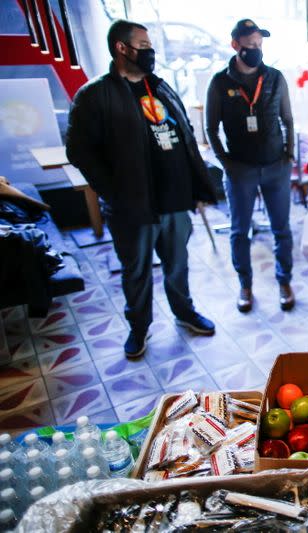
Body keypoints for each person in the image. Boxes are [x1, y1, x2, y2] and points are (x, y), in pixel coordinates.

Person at [66, 20, 217, 358]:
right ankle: (139, 327)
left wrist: (196, 188)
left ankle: (184, 311)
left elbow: (186, 137)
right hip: (132, 207)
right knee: (136, 271)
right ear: (122, 48)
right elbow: (78, 151)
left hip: (175, 201)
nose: (151, 51)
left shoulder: (160, 87)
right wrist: (114, 192)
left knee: (178, 264)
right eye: (144, 45)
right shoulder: (95, 95)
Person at [205, 19, 296, 313]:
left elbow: (288, 119)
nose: (255, 50)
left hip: (275, 167)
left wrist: (289, 156)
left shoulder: (274, 77)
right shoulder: (220, 82)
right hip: (240, 170)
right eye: (249, 45)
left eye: (259, 45)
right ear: (235, 45)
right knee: (239, 231)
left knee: (282, 229)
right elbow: (210, 127)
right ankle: (245, 285)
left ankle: (284, 280)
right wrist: (226, 164)